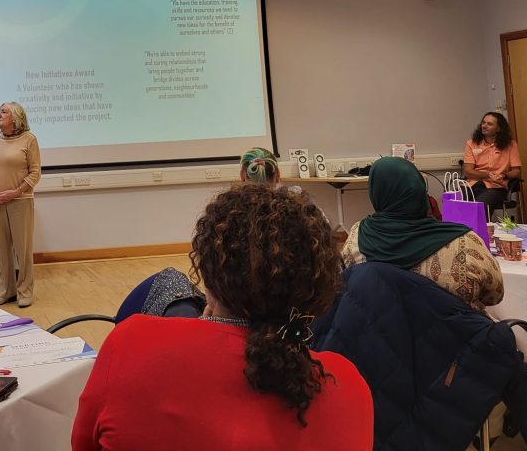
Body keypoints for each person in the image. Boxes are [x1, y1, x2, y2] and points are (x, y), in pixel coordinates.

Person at [72, 184, 373, 451]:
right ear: (316, 282)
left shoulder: (131, 343)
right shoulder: (347, 387)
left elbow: (83, 444)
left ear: (209, 270)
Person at [342, 156, 503, 310]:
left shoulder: (357, 237)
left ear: (376, 192)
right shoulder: (465, 243)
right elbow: (495, 295)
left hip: (378, 335)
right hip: (456, 337)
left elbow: (344, 286)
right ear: (420, 191)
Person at [0, 102, 41, 308]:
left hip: (20, 201)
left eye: (4, 111)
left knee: (22, 249)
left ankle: (25, 291)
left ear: (16, 118)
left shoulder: (29, 140)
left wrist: (15, 192)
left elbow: (35, 172)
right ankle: (7, 290)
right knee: (2, 248)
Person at [463, 111, 522, 212]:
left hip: (496, 186)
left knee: (480, 204)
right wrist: (487, 175)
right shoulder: (471, 143)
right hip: (474, 184)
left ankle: (482, 228)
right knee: (457, 202)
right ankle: (464, 228)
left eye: (489, 124)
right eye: (483, 123)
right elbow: (468, 171)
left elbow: (516, 171)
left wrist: (504, 176)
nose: (484, 126)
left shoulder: (510, 145)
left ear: (498, 128)